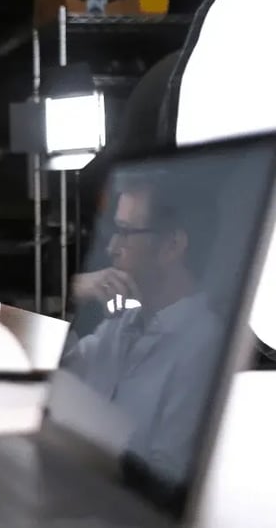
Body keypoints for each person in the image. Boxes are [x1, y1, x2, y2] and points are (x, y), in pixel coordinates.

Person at [62, 170, 220, 488]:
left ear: (172, 246)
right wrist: (72, 291)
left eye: (124, 232)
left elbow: (164, 480)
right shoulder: (122, 324)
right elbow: (58, 376)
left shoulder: (204, 347)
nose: (111, 248)